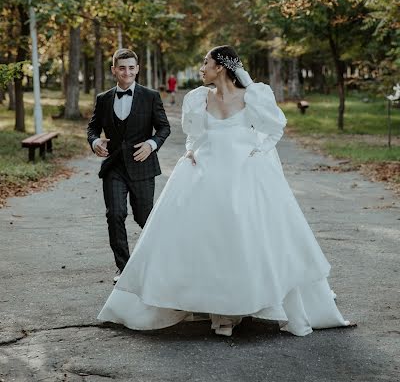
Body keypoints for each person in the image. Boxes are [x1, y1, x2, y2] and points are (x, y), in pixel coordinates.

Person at [98, 45, 350, 337]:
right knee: (208, 238)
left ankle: (247, 302)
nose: (201, 68)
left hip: (244, 170)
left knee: (247, 235)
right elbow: (194, 136)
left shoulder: (254, 95)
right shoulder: (198, 98)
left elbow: (276, 128)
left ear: (220, 67)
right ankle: (217, 309)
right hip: (206, 169)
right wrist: (191, 151)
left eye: (205, 63)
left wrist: (261, 151)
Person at [87, 48, 170, 284]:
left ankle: (158, 262)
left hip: (142, 165)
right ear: (114, 70)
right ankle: (124, 268)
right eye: (122, 68)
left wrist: (152, 144)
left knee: (145, 217)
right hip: (114, 167)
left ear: (137, 69)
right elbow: (92, 128)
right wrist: (95, 142)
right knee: (115, 214)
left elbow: (164, 127)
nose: (127, 72)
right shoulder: (103, 99)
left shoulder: (150, 96)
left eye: (131, 67)